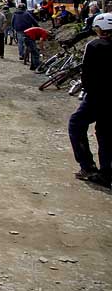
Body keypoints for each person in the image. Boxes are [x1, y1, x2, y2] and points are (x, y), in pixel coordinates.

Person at [67, 12, 112, 188]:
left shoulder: (94, 46)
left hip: (98, 97)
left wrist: (87, 91)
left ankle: (87, 166)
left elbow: (87, 76)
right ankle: (107, 172)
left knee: (76, 124)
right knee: (106, 133)